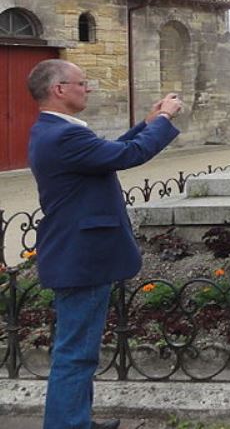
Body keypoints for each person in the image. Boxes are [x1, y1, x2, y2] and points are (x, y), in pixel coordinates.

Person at [27, 60, 183, 429]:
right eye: (82, 83)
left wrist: (146, 124)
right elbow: (127, 156)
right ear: (59, 89)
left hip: (75, 254)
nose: (89, 89)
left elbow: (106, 155)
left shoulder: (54, 131)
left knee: (78, 351)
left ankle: (75, 420)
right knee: (76, 354)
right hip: (81, 256)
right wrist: (164, 120)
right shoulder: (64, 135)